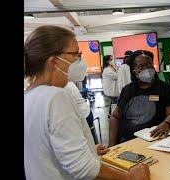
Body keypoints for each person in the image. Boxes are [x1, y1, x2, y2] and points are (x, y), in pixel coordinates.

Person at [24, 25, 150, 180]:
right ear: (54, 61)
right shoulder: (56, 97)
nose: (80, 61)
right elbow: (83, 168)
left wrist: (89, 149)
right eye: (76, 54)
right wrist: (129, 177)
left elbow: (45, 150)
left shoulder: (29, 96)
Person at [109, 50, 170, 146]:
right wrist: (111, 146)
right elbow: (115, 116)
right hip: (128, 142)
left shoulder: (165, 89)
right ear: (134, 71)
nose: (146, 69)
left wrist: (167, 124)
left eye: (149, 65)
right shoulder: (128, 90)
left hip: (155, 140)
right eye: (141, 67)